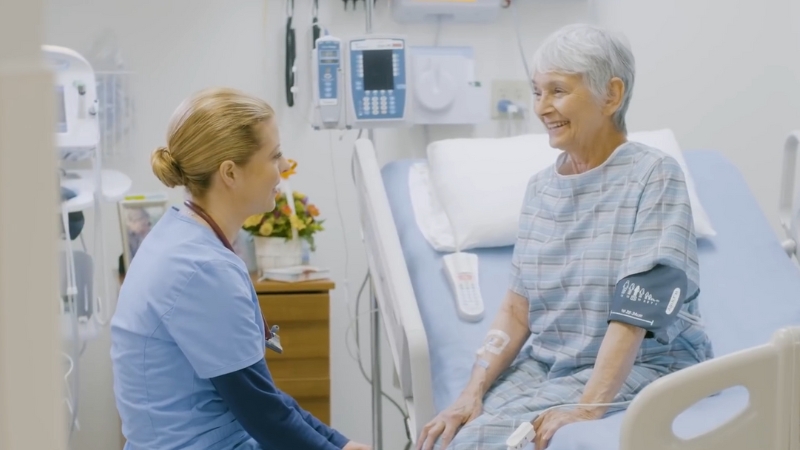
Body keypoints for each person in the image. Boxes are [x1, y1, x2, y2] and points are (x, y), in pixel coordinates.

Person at [416, 24, 714, 450]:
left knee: (485, 444)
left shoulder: (653, 176)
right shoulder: (541, 189)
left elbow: (638, 308)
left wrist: (589, 408)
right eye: (537, 92)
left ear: (611, 95)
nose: (541, 107)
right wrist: (471, 393)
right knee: (455, 436)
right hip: (551, 366)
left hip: (649, 366)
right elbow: (518, 312)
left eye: (557, 91)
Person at [110, 87, 370, 450]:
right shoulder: (202, 269)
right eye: (274, 155)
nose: (282, 168)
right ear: (230, 172)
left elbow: (262, 395)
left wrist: (339, 443)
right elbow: (264, 413)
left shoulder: (178, 236)